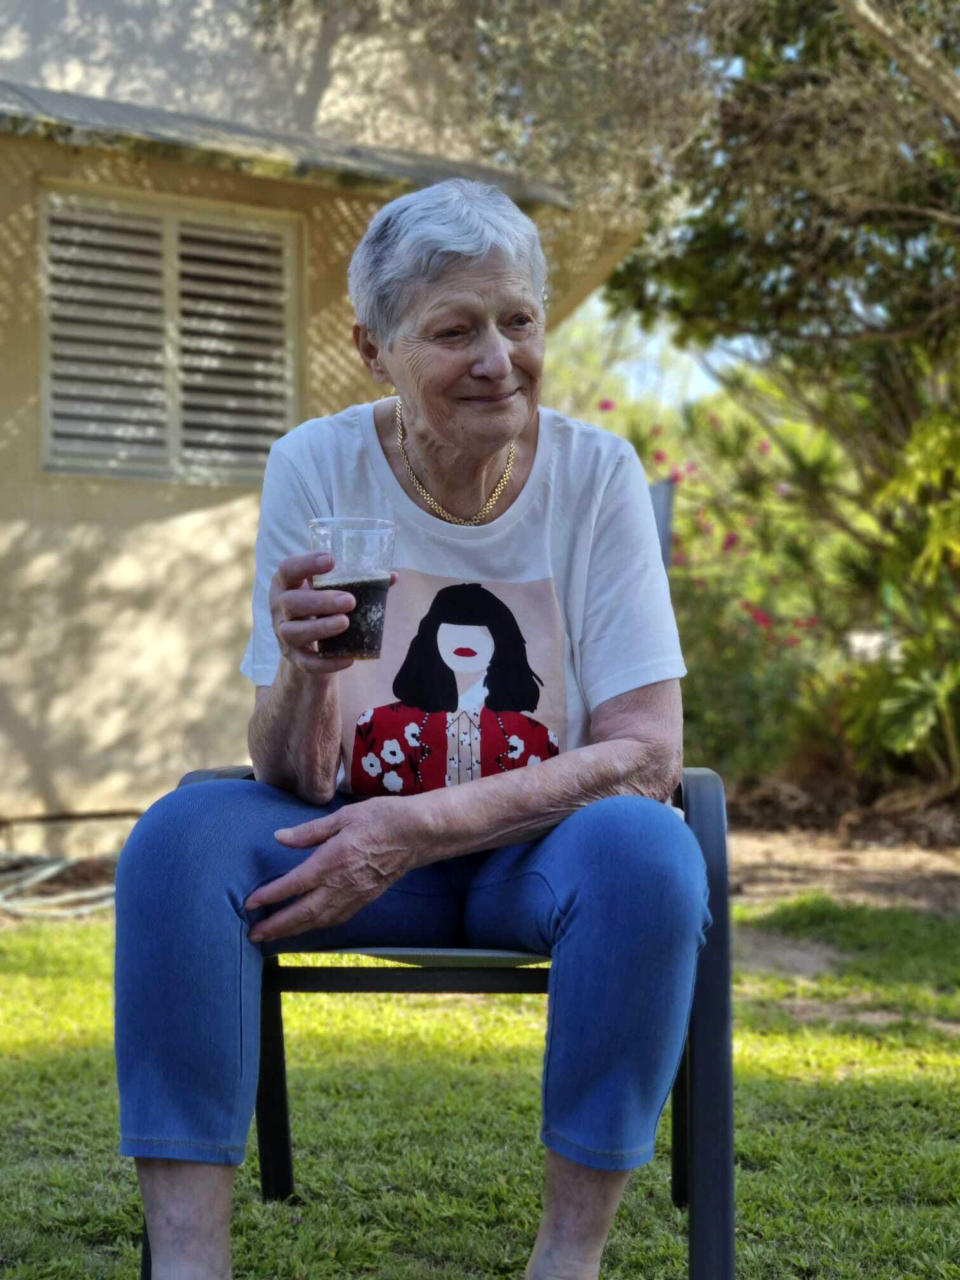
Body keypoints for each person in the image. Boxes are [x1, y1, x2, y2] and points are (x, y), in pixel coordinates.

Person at [114, 177, 713, 1280]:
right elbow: (294, 771)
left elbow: (645, 749)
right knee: (175, 840)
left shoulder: (596, 475)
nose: (499, 356)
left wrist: (423, 821)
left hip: (543, 848)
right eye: (455, 329)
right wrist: (303, 672)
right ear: (372, 348)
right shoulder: (316, 464)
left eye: (519, 320)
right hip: (356, 844)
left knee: (651, 849)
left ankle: (566, 1261)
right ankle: (188, 1263)